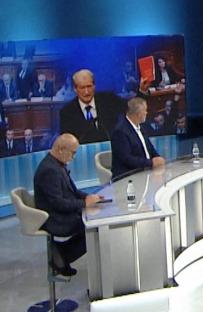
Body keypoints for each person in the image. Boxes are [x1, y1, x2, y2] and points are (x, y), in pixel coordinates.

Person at [33, 133, 103, 276]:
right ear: (60, 149)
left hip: (60, 212)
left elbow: (73, 191)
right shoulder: (49, 170)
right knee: (94, 226)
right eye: (73, 153)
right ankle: (62, 256)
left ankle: (61, 252)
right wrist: (84, 203)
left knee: (94, 219)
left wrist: (89, 197)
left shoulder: (57, 164)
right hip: (54, 218)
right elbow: (58, 204)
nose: (73, 157)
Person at [59, 69, 127, 144]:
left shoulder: (109, 100)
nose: (86, 92)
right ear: (75, 89)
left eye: (89, 86)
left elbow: (130, 108)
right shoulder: (67, 112)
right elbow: (67, 142)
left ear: (94, 86)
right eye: (82, 88)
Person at [110, 97, 165, 180]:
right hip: (127, 177)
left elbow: (150, 149)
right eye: (145, 110)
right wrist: (151, 163)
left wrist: (158, 159)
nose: (146, 113)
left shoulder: (141, 127)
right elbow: (127, 159)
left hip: (145, 172)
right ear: (138, 113)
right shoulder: (120, 131)